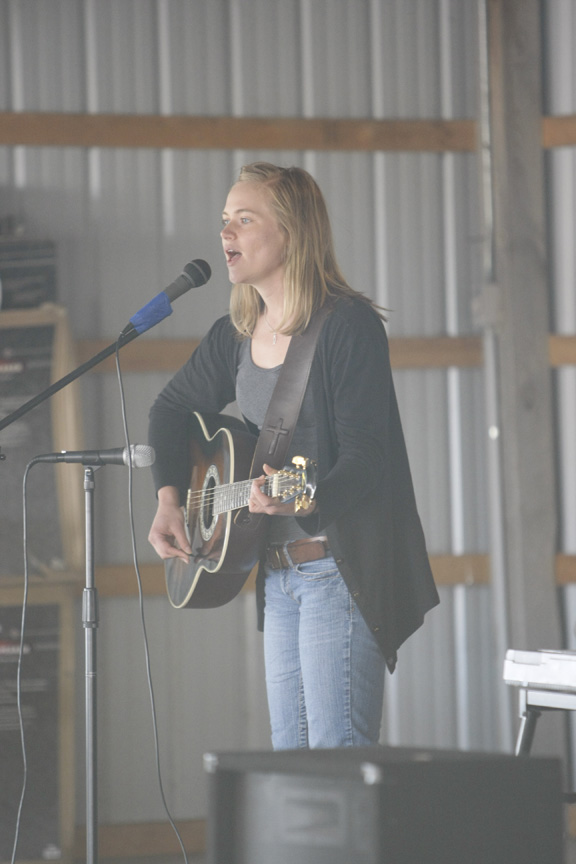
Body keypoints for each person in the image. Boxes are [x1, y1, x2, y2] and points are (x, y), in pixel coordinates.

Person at [147, 162, 439, 750]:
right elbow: (169, 410)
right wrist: (169, 499)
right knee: (291, 768)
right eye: (224, 221)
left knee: (337, 765)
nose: (225, 234)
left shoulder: (347, 326)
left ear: (290, 232)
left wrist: (303, 496)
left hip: (337, 570)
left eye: (244, 220)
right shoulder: (235, 332)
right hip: (276, 577)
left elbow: (366, 458)